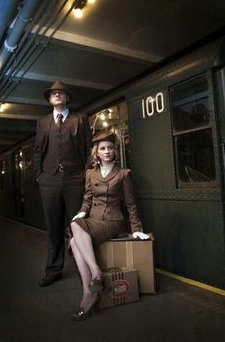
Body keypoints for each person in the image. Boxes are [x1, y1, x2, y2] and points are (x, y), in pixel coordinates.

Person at [68, 131, 149, 321]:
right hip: (93, 219)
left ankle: (91, 285)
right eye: (103, 148)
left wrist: (137, 229)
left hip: (113, 222)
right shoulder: (90, 173)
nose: (107, 151)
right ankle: (89, 290)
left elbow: (130, 204)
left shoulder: (123, 174)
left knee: (74, 236)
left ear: (115, 151)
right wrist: (81, 212)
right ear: (97, 152)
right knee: (73, 238)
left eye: (110, 148)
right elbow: (87, 199)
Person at [34, 80, 92, 287]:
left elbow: (88, 150)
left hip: (75, 179)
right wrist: (39, 175)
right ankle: (54, 270)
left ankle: (83, 267)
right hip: (49, 181)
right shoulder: (42, 122)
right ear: (50, 99)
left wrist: (85, 174)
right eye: (53, 93)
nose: (57, 95)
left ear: (67, 97)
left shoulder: (80, 119)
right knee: (54, 228)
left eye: (61, 92)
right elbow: (38, 151)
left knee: (78, 227)